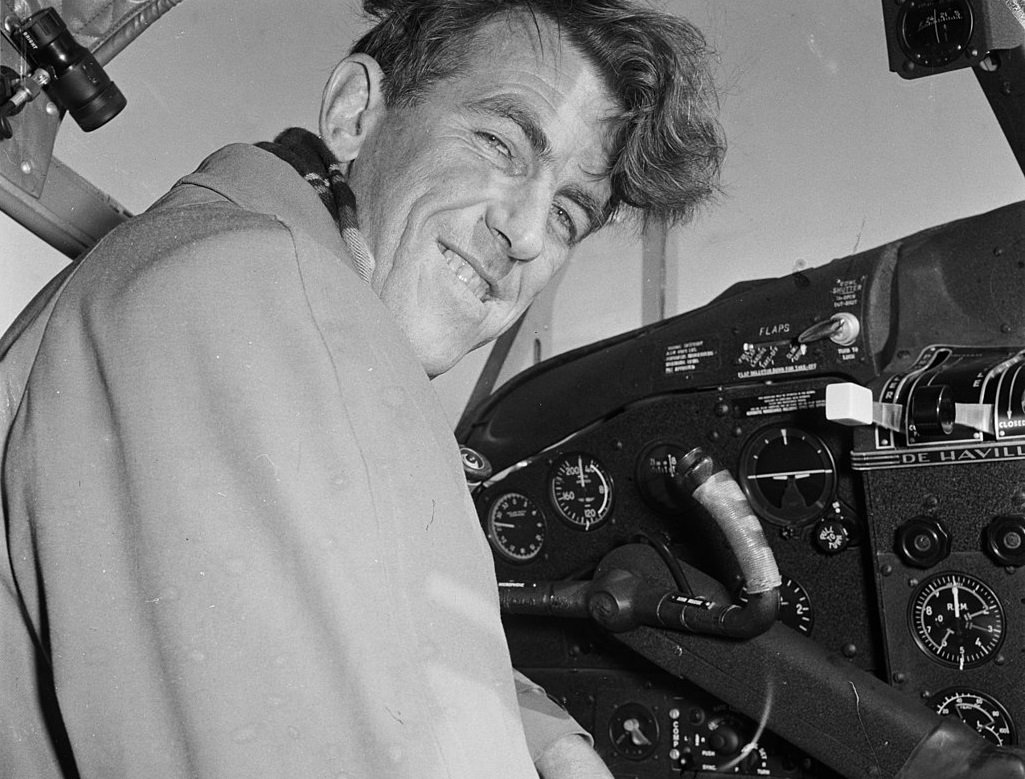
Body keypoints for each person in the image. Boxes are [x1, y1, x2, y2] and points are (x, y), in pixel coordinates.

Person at [0, 1, 724, 776]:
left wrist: (548, 740)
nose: (524, 232)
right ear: (355, 114)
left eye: (569, 212)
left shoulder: (244, 270)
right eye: (500, 142)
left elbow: (353, 625)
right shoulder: (252, 293)